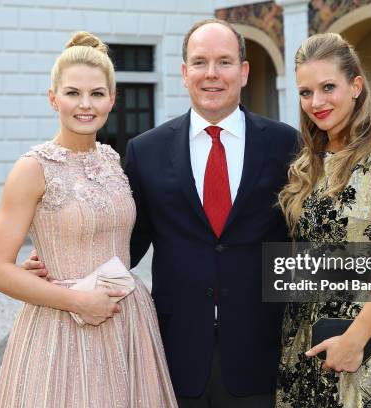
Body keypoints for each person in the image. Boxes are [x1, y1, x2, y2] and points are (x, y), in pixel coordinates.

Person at [0, 31, 177, 407]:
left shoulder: (112, 161)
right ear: (53, 98)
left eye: (97, 93)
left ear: (112, 99)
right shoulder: (31, 168)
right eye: (73, 93)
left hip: (129, 321)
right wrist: (77, 301)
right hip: (60, 327)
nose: (85, 105)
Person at [124, 19, 298, 407]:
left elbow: (304, 240)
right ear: (184, 73)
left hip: (262, 351)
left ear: (244, 71)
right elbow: (127, 245)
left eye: (224, 62)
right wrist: (65, 265)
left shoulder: (287, 144)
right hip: (176, 351)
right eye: (200, 62)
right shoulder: (144, 151)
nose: (212, 74)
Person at [276, 33, 371, 407]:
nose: (316, 102)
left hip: (356, 347)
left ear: (356, 86)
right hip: (299, 343)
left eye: (328, 87)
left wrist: (354, 341)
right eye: (306, 92)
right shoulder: (307, 165)